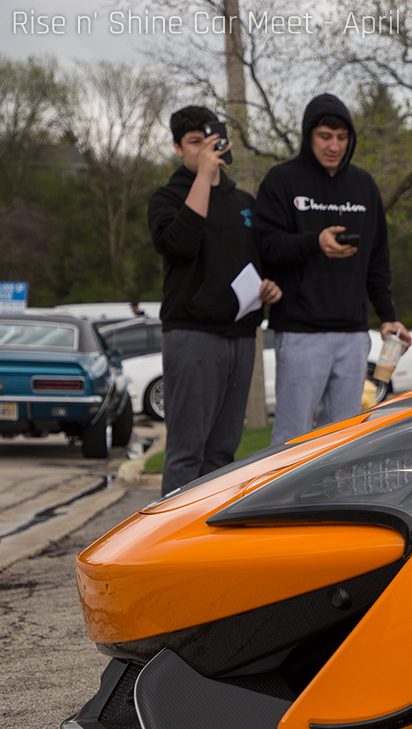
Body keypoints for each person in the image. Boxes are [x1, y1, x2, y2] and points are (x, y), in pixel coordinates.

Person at [254, 93, 410, 445]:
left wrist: (388, 315)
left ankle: (334, 502)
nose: (334, 146)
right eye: (325, 136)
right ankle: (285, 501)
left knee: (345, 439)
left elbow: (378, 259)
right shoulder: (282, 182)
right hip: (300, 330)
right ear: (309, 135)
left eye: (342, 138)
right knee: (293, 437)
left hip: (353, 334)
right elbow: (265, 245)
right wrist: (314, 242)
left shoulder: (364, 187)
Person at [148, 105, 281, 496]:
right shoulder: (166, 198)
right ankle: (169, 549)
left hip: (240, 336)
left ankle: (205, 546)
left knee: (223, 452)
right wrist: (204, 177)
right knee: (187, 452)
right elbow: (181, 244)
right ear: (177, 147)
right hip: (192, 335)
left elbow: (261, 263)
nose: (205, 151)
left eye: (212, 143)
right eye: (194, 144)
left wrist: (270, 289)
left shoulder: (244, 201)